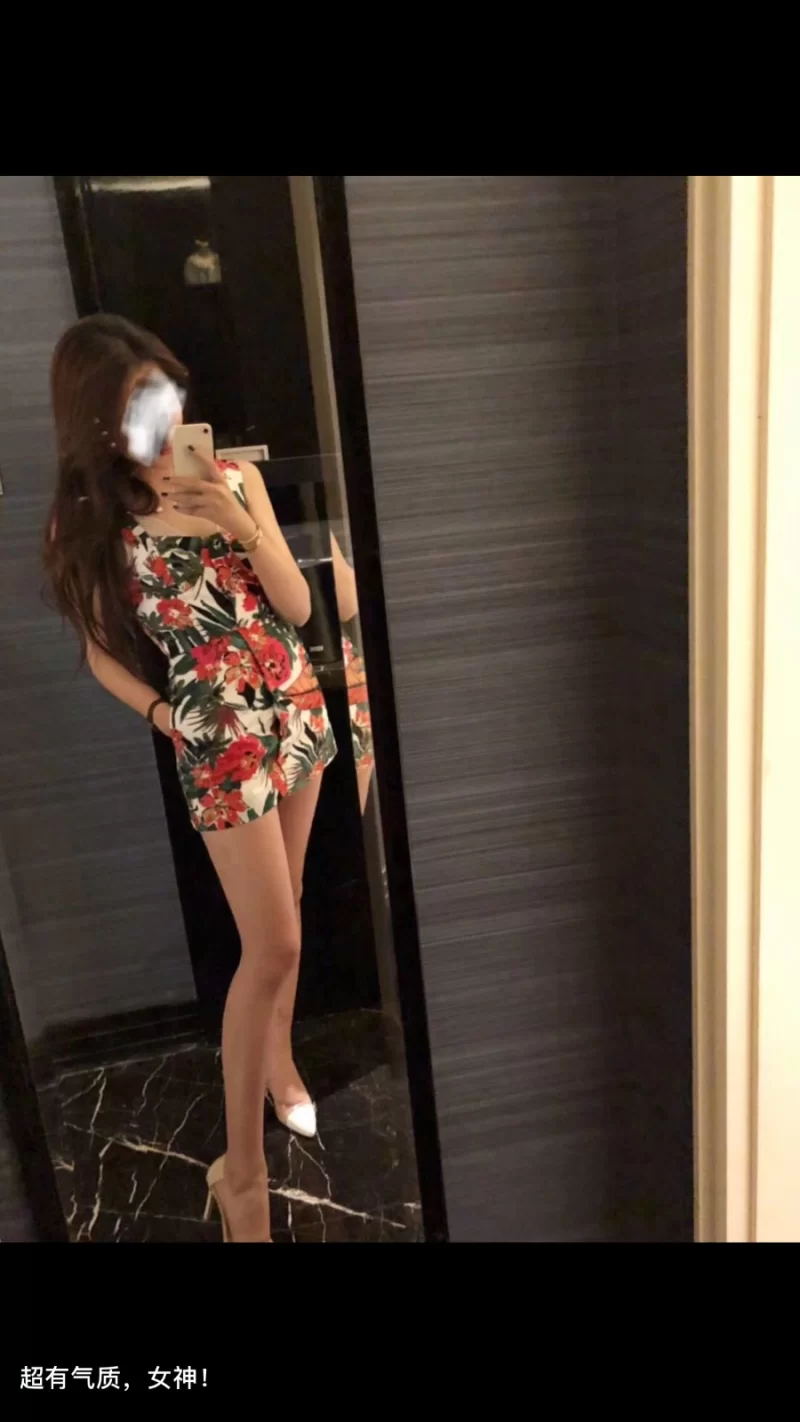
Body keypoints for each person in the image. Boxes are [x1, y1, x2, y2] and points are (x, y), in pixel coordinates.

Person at [44, 313, 337, 1243]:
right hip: (217, 734)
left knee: (290, 907)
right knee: (272, 943)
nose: (165, 421)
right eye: (140, 408)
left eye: (166, 396)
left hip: (292, 704)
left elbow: (297, 607)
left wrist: (237, 520)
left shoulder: (235, 479)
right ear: (99, 423)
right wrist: (162, 713)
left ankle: (279, 1059)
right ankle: (240, 1173)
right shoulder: (93, 519)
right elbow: (100, 653)